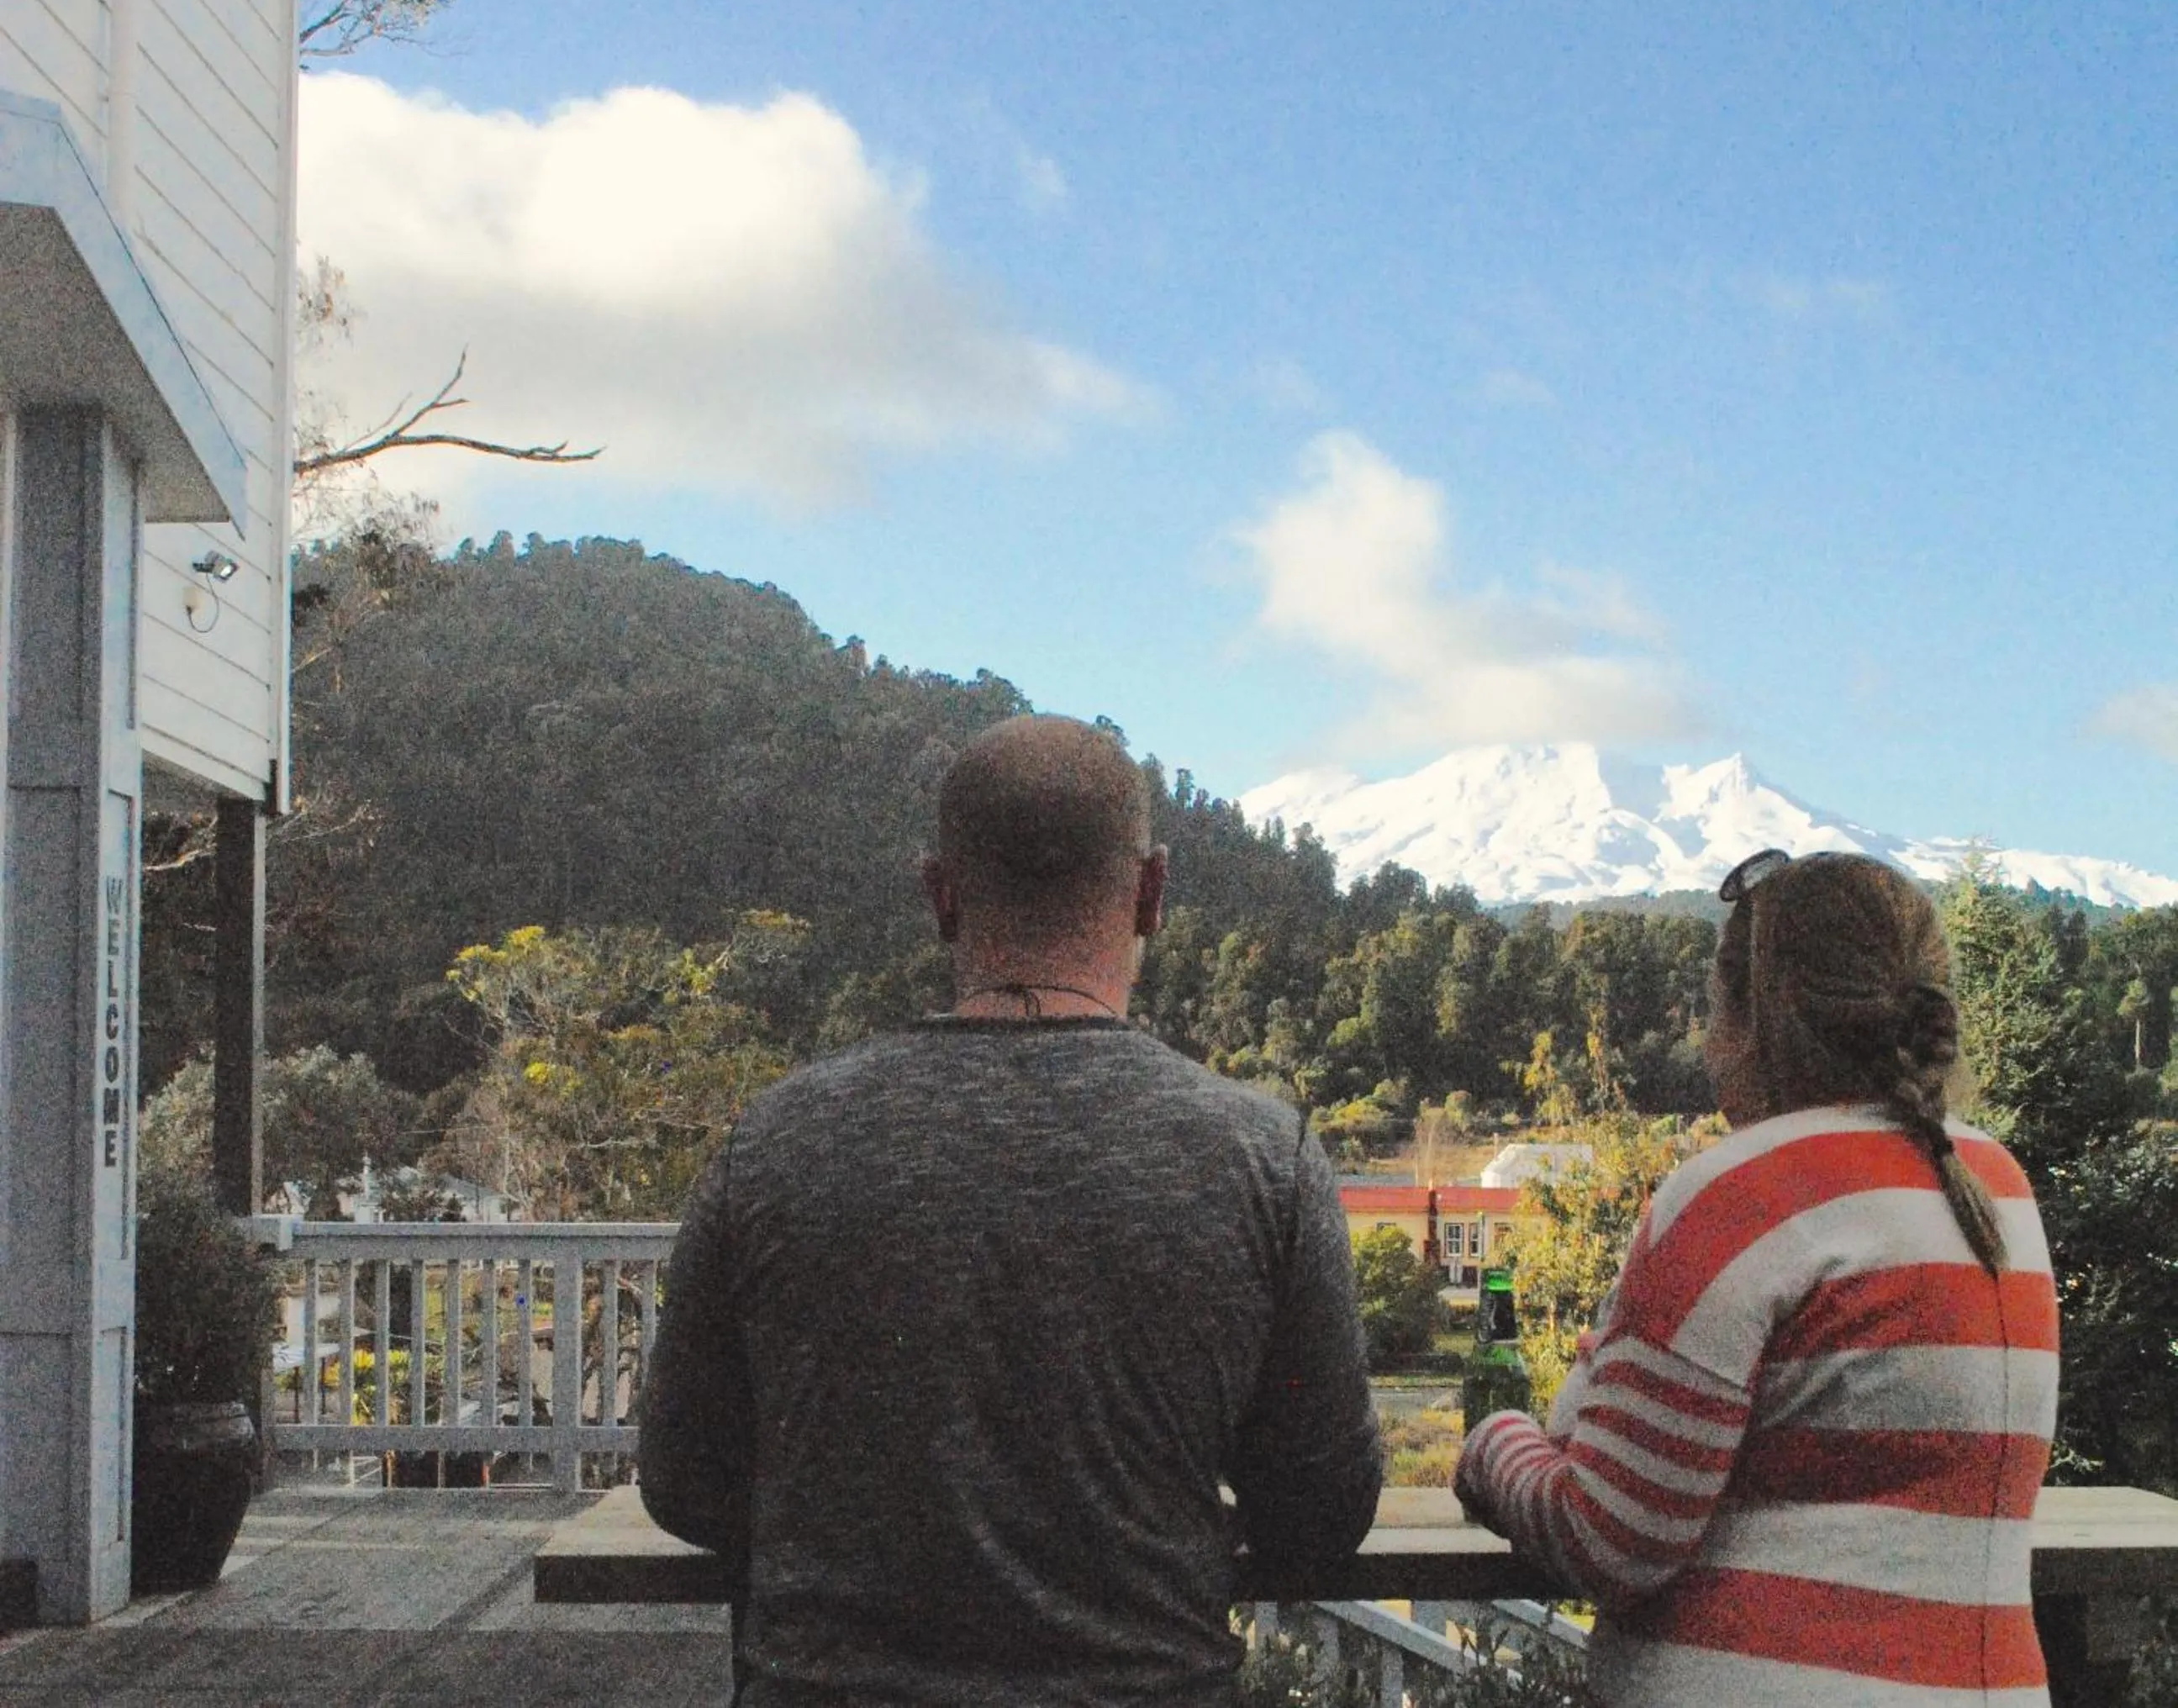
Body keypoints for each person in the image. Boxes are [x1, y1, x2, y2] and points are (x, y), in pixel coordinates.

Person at [639, 714, 1383, 1706]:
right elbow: (1320, 1513)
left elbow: (682, 1480)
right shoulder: (1264, 1157)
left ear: (939, 895)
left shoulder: (775, 1142)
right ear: (1151, 893)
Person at [1456, 848, 2059, 1705]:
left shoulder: (1737, 1194)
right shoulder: (1996, 1187)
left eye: (1713, 1010)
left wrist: (1493, 1445)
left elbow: (1611, 1542)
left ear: (1750, 1017)